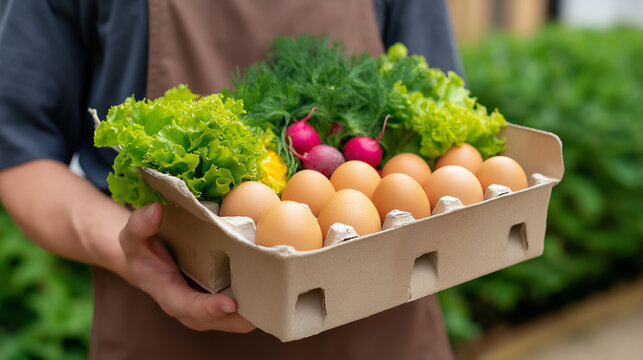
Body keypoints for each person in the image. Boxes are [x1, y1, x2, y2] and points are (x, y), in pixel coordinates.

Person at [0, 0, 462, 358]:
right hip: (166, 330)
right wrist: (129, 253)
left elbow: (433, 110)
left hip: (378, 330)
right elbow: (18, 150)